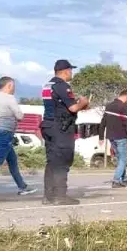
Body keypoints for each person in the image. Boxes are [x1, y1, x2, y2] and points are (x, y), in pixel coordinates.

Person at [40, 59, 89, 205]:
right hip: (60, 128)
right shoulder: (62, 86)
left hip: (48, 125)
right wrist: (83, 102)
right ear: (66, 71)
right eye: (71, 70)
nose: (71, 73)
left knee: (52, 162)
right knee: (62, 160)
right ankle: (60, 196)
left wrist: (81, 106)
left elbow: (61, 106)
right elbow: (73, 108)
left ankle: (48, 196)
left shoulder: (48, 85)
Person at [0, 76, 38, 196]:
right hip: (5, 133)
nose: (14, 89)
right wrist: (19, 115)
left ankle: (22, 186)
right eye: (13, 86)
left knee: (12, 161)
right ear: (9, 85)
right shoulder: (10, 98)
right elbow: (19, 116)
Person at [104, 88, 127, 188]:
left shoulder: (109, 106)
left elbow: (103, 121)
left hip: (111, 137)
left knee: (120, 158)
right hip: (122, 137)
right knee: (124, 159)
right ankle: (116, 180)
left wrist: (101, 136)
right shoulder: (124, 107)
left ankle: (122, 178)